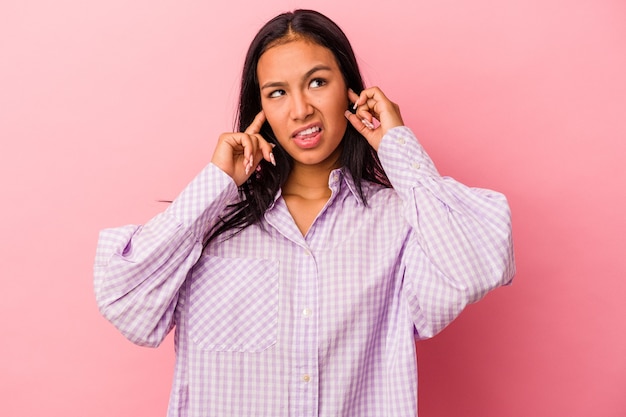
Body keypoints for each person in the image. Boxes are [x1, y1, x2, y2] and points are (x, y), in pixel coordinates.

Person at [94, 9, 515, 417]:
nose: (299, 110)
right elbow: (126, 302)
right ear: (259, 109)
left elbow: (478, 264)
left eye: (316, 82)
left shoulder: (400, 221)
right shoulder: (214, 224)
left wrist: (398, 146)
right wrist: (215, 185)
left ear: (350, 90)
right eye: (277, 92)